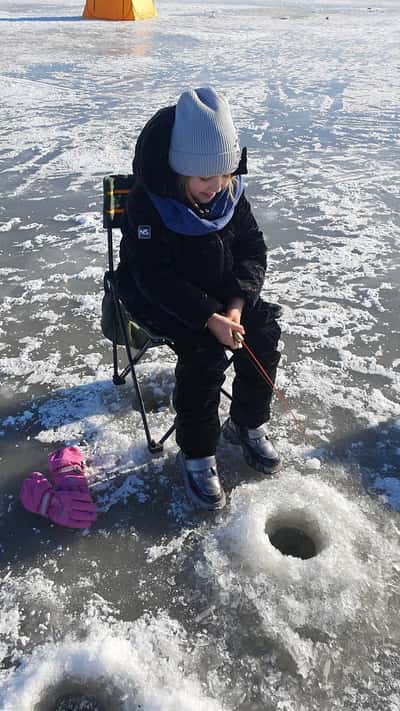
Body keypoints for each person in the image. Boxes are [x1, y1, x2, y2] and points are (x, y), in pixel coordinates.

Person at [117, 87, 281, 511]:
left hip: (224, 293)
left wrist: (236, 305)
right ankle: (197, 453)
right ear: (178, 170)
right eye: (204, 178)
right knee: (204, 353)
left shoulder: (229, 193)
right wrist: (209, 317)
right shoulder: (147, 203)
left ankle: (246, 423)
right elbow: (151, 275)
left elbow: (252, 249)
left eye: (224, 175)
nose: (216, 187)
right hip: (164, 298)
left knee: (262, 331)